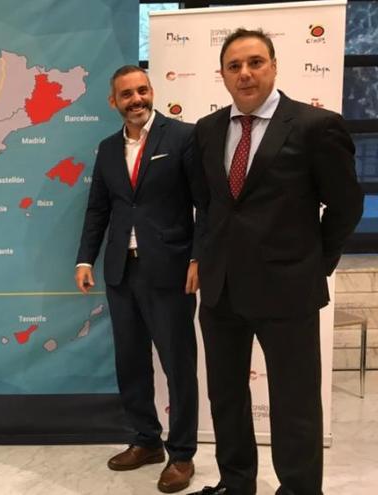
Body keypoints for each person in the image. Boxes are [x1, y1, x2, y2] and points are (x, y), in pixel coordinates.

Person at [188, 29, 364, 495]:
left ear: (273, 65)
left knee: (295, 404)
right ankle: (237, 482)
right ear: (222, 74)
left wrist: (315, 264)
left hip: (288, 291)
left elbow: (346, 206)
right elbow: (209, 205)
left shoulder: (314, 126)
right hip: (222, 290)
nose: (245, 73)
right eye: (234, 66)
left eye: (255, 62)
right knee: (226, 397)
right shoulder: (207, 130)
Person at [75, 65, 208, 493]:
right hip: (121, 272)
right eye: (127, 94)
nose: (137, 100)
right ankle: (145, 440)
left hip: (170, 271)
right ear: (113, 102)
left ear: (152, 92)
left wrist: (198, 257)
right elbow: (98, 209)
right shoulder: (107, 148)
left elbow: (205, 205)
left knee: (177, 364)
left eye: (142, 90)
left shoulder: (183, 137)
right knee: (130, 361)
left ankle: (182, 453)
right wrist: (84, 261)